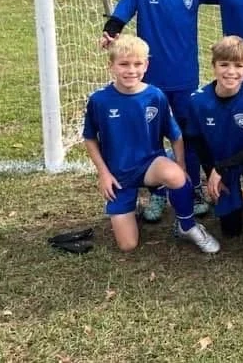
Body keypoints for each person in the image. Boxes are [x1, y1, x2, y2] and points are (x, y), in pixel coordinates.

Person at [102, 0, 215, 222]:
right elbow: (123, 9)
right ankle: (157, 193)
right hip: (149, 81)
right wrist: (111, 30)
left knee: (187, 134)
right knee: (151, 138)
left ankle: (191, 187)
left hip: (186, 77)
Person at [81, 35, 220, 254]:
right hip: (119, 175)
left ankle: (187, 225)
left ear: (146, 65)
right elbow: (89, 138)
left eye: (137, 64)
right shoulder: (99, 100)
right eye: (124, 64)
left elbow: (175, 135)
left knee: (175, 176)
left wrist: (181, 166)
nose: (131, 70)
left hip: (149, 165)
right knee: (128, 245)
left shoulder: (155, 96)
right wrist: (104, 174)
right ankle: (130, 205)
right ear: (111, 66)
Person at [180, 36, 243, 267]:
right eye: (224, 65)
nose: (231, 72)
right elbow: (196, 142)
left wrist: (220, 169)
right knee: (230, 229)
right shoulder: (197, 100)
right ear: (213, 66)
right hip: (221, 163)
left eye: (238, 65)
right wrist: (212, 170)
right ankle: (237, 194)